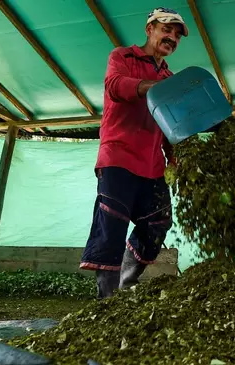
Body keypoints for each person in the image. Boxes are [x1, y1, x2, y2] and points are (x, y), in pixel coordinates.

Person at [80, 7, 189, 299]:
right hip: (119, 157)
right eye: (167, 30)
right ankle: (106, 299)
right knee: (111, 226)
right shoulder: (122, 57)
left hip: (152, 165)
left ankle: (126, 282)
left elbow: (170, 121)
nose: (172, 38)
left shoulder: (170, 76)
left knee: (158, 223)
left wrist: (175, 154)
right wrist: (152, 87)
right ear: (150, 28)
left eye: (177, 35)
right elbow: (115, 87)